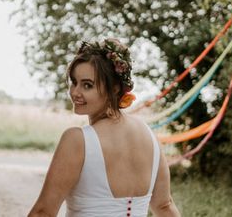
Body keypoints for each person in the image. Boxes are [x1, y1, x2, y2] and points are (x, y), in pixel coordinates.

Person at [28, 38, 180, 217]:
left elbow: (43, 212)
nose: (75, 92)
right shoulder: (149, 135)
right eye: (74, 82)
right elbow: (164, 206)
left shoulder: (77, 140)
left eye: (87, 85)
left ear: (115, 88)